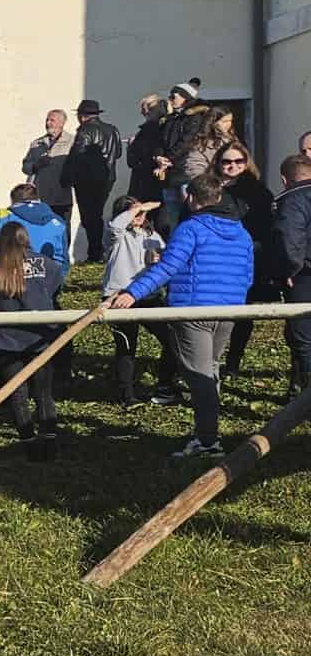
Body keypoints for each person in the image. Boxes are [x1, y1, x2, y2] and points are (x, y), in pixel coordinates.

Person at [110, 173, 256, 458]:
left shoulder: (191, 228)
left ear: (191, 198)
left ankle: (207, 440)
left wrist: (132, 293)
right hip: (229, 310)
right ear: (219, 197)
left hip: (193, 310)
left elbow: (168, 267)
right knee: (210, 370)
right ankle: (208, 433)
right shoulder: (241, 232)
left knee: (199, 376)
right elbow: (248, 274)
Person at [0, 223, 65, 458]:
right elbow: (56, 287)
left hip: (5, 339)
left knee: (17, 393)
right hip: (42, 337)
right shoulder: (46, 264)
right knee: (44, 392)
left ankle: (29, 444)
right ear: (25, 238)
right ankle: (50, 443)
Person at [210, 141, 279, 379]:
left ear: (246, 162)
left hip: (247, 259)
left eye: (238, 161)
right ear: (218, 163)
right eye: (227, 161)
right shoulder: (208, 188)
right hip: (214, 258)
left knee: (242, 313)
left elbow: (266, 228)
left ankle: (233, 363)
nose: (232, 166)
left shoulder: (258, 191)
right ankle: (209, 361)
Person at [100, 195, 174, 406]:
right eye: (135, 212)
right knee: (126, 346)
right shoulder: (116, 235)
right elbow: (116, 226)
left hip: (149, 295)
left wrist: (159, 259)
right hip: (118, 296)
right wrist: (140, 207)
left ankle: (165, 386)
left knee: (172, 339)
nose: (140, 216)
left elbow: (167, 260)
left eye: (143, 213)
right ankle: (126, 395)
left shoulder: (152, 235)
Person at [66, 99, 124, 265]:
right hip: (108, 178)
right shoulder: (112, 129)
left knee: (89, 217)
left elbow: (77, 156)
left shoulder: (85, 130)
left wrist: (67, 177)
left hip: (87, 180)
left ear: (82, 116)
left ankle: (95, 253)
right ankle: (97, 252)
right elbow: (118, 153)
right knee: (96, 214)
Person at [0, 183, 71, 264]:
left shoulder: (4, 215)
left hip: (10, 272)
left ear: (13, 201)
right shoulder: (58, 221)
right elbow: (62, 259)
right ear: (38, 199)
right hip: (44, 276)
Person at [277, 154, 311, 398]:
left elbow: (289, 236)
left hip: (305, 275)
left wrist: (290, 268)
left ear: (284, 179)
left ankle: (305, 401)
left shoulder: (292, 199)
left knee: (304, 338)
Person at [22, 108, 75, 233]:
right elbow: (25, 167)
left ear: (62, 123)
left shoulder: (72, 142)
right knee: (39, 231)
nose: (48, 123)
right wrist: (36, 165)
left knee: (61, 231)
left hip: (61, 198)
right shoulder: (37, 143)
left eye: (52, 120)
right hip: (39, 198)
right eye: (47, 120)